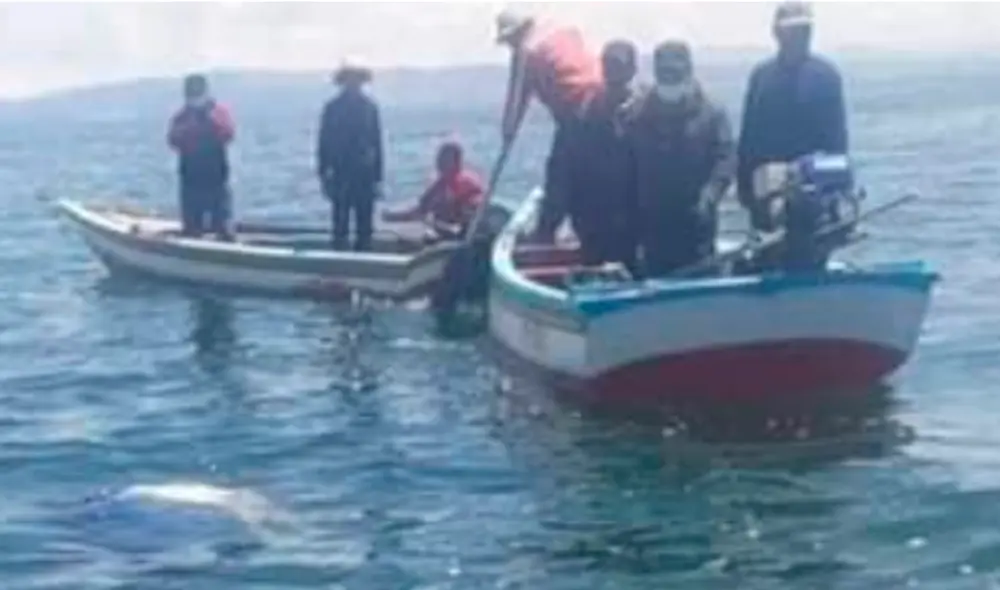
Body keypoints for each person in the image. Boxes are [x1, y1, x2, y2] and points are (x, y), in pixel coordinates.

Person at [620, 41, 736, 278]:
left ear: (689, 71)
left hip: (696, 222)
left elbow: (726, 158)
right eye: (665, 73)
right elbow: (626, 165)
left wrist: (710, 194)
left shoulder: (712, 113)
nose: (670, 80)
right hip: (653, 224)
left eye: (675, 73)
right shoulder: (637, 114)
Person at [737, 1, 848, 233]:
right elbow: (749, 137)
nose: (800, 36)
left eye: (805, 30)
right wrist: (746, 191)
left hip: (815, 192)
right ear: (777, 33)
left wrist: (837, 191)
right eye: (793, 30)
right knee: (768, 256)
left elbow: (837, 140)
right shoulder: (762, 77)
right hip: (768, 193)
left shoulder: (826, 76)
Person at [495, 8, 602, 243]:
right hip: (605, 100)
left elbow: (516, 101)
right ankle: (589, 232)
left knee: (560, 177)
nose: (510, 45)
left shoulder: (526, 52)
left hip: (578, 111)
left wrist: (508, 132)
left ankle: (544, 236)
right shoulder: (564, 33)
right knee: (595, 175)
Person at [568, 40, 639, 272]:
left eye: (618, 66)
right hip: (595, 216)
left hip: (635, 215)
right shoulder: (588, 109)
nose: (613, 72)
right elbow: (574, 166)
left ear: (632, 69)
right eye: (608, 65)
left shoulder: (647, 109)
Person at [316, 58, 384, 251]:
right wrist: (323, 174)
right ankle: (339, 265)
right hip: (341, 173)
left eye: (356, 80)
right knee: (340, 225)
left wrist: (378, 177)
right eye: (349, 79)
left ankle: (365, 262)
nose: (353, 84)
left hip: (365, 174)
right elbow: (323, 143)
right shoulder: (332, 108)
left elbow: (377, 144)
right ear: (343, 82)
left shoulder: (370, 107)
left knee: (365, 227)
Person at [167, 73, 235, 240]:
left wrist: (208, 121)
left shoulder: (219, 113)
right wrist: (190, 128)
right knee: (191, 231)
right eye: (190, 93)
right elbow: (173, 140)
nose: (193, 97)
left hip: (216, 181)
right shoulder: (181, 117)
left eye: (196, 92)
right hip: (191, 183)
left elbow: (228, 134)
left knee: (223, 229)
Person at [382, 139, 485, 242]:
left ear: (456, 161)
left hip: (466, 230)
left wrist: (390, 217)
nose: (438, 162)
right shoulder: (453, 180)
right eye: (439, 158)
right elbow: (423, 203)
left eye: (444, 159)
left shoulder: (457, 181)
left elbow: (420, 211)